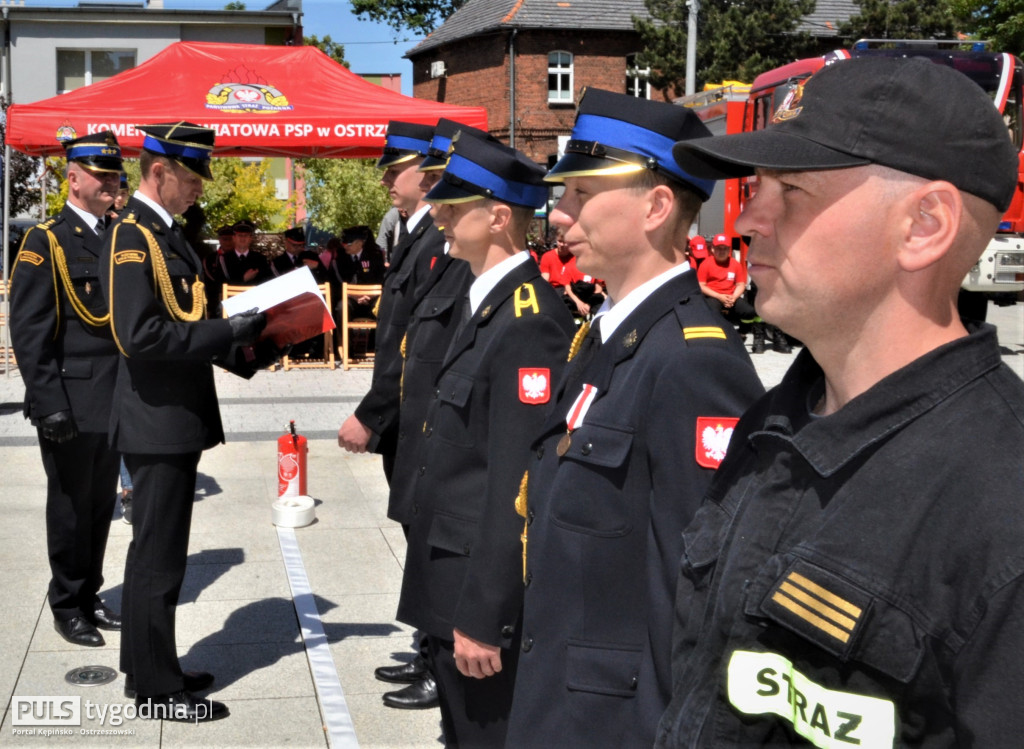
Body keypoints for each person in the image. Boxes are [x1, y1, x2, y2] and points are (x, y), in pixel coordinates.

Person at [656, 56, 1024, 747]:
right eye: (755, 187)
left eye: (789, 191)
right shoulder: (772, 425)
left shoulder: (1003, 504)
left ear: (924, 225)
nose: (748, 220)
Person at [505, 88, 765, 748]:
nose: (558, 215)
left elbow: (703, 588)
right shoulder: (607, 332)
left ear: (655, 206)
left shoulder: (690, 359)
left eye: (580, 195)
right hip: (562, 691)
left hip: (619, 719)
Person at [396, 133, 576, 746]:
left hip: (475, 590)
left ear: (499, 217)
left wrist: (486, 613)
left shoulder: (530, 319)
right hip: (448, 571)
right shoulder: (484, 300)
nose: (439, 214)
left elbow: (517, 481)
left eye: (455, 204)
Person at [102, 122, 271, 723]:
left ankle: (150, 667)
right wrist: (227, 332)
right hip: (155, 420)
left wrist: (256, 343)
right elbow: (138, 334)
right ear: (160, 172)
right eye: (192, 176)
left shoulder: (169, 235)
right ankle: (155, 688)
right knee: (158, 556)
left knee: (159, 551)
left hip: (174, 417)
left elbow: (190, 318)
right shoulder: (132, 236)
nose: (200, 187)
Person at [337, 121, 443, 710]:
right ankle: (430, 647)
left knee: (428, 541)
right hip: (404, 416)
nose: (383, 179)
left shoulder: (437, 241)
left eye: (392, 169)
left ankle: (440, 659)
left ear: (424, 176)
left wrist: (371, 415)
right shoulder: (412, 234)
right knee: (416, 535)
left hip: (415, 416)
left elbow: (412, 348)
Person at [9, 131, 126, 648]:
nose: (110, 184)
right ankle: (67, 603)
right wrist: (49, 402)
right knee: (70, 506)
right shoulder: (46, 241)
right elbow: (29, 331)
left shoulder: (120, 236)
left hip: (115, 399)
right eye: (100, 176)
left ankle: (90, 591)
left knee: (102, 505)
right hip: (71, 401)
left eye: (115, 176)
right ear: (72, 179)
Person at [539, 234, 605, 318]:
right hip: (558, 289)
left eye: (565, 242)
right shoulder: (548, 256)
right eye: (560, 242)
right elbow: (545, 279)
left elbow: (584, 280)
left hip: (574, 287)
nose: (562, 245)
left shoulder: (575, 257)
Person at [220, 218, 269, 285]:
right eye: (240, 235)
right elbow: (220, 284)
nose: (243, 238)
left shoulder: (260, 259)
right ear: (234, 238)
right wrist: (243, 279)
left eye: (246, 235)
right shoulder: (224, 259)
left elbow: (265, 283)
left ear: (250, 239)